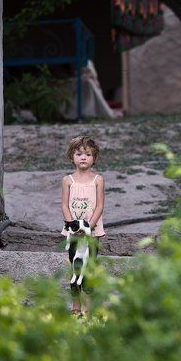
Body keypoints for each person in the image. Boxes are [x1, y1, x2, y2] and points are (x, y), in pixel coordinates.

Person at [61, 135, 106, 316]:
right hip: (74, 233)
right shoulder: (67, 180)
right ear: (72, 156)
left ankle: (88, 308)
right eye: (79, 153)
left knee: (89, 269)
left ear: (94, 157)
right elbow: (64, 205)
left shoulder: (98, 180)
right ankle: (76, 307)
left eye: (88, 154)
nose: (83, 157)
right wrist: (73, 225)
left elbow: (100, 205)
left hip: (91, 234)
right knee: (75, 269)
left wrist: (88, 226)